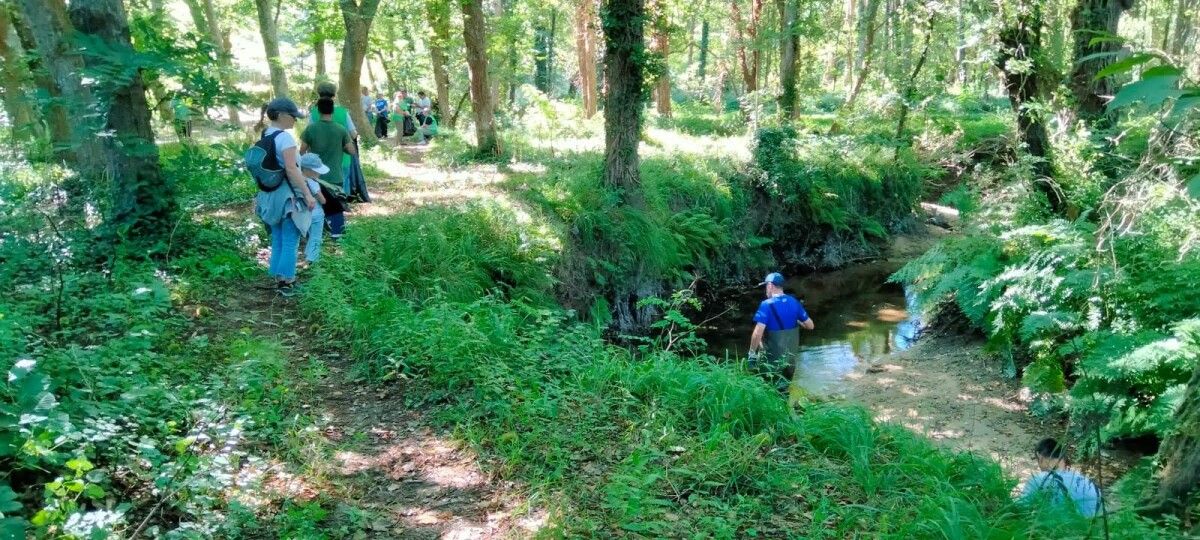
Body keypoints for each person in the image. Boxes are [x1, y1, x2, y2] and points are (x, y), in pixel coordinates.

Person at [253, 98, 317, 296]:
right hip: (287, 196)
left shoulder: (266, 134)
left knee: (279, 238)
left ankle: (279, 277)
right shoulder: (285, 139)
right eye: (293, 116)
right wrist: (307, 194)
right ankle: (287, 282)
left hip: (269, 195)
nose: (295, 121)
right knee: (291, 239)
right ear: (281, 115)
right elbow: (292, 169)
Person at [300, 97, 355, 240]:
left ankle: (316, 235)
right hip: (335, 175)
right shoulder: (340, 129)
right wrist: (341, 146)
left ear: (318, 111)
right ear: (332, 110)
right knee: (336, 208)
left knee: (316, 206)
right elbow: (352, 151)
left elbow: (302, 151)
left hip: (314, 176)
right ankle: (337, 237)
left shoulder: (311, 129)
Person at [748, 272, 814, 384]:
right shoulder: (794, 302)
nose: (766, 290)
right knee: (784, 391)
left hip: (771, 362)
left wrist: (752, 354)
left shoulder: (766, 305)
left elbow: (758, 333)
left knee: (768, 391)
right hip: (790, 362)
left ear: (770, 286)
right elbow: (810, 326)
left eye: (766, 287)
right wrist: (796, 319)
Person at [1018, 438, 1102, 518]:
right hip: (1091, 530)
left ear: (1040, 457)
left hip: (1061, 531)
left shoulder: (1040, 479)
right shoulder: (1086, 481)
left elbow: (1019, 510)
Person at [297, 153, 329, 267]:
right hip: (316, 213)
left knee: (309, 235)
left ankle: (307, 256)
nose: (319, 173)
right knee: (316, 236)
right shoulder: (313, 183)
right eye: (317, 170)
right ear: (309, 170)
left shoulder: (297, 179)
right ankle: (312, 260)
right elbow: (323, 200)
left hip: (302, 213)